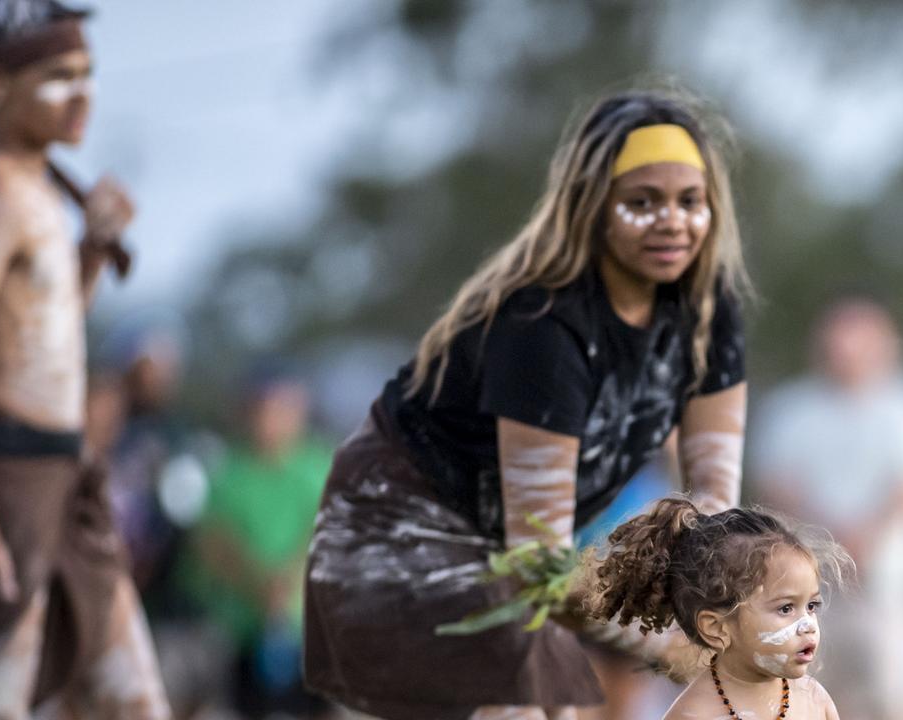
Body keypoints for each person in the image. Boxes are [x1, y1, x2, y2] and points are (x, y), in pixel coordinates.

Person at [303, 88, 749, 720]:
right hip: (403, 546)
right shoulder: (544, 325)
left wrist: (729, 622)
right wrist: (671, 645)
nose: (671, 221)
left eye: (689, 201)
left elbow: (714, 515)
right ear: (594, 208)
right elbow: (537, 564)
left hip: (506, 565)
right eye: (642, 202)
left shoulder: (707, 309)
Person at [0, 0, 169, 716]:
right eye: (58, 76)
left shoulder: (36, 193)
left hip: (66, 483)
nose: (82, 95)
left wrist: (90, 250)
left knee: (133, 699)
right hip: (7, 486)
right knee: (1, 701)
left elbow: (39, 338)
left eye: (87, 74)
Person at [751, 293, 903, 720]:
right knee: (803, 699)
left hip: (891, 588)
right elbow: (774, 486)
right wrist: (831, 536)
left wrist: (869, 535)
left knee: (896, 699)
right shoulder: (790, 410)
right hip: (807, 592)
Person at [581, 497, 848, 719]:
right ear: (716, 628)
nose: (808, 625)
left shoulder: (814, 700)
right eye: (786, 609)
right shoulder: (693, 715)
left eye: (811, 606)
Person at [188, 367, 332, 717]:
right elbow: (212, 540)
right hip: (243, 627)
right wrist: (258, 584)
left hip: (312, 630)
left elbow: (329, 527)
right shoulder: (228, 471)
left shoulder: (321, 464)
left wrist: (289, 580)